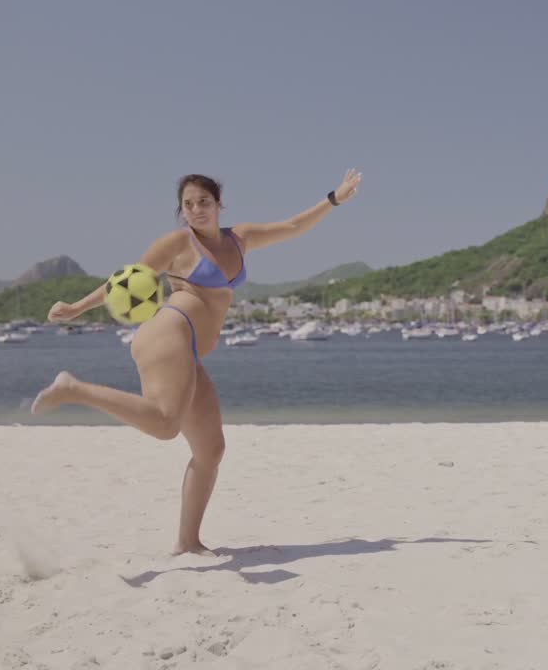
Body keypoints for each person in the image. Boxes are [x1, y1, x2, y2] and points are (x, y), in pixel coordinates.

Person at [31, 169, 362, 555]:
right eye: (188, 205)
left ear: (218, 205)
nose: (196, 210)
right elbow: (123, 282)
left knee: (211, 450)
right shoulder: (176, 243)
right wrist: (76, 308)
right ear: (181, 211)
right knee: (166, 423)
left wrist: (333, 199)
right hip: (170, 331)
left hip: (187, 349)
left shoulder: (241, 238)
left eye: (203, 202)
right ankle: (75, 388)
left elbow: (292, 225)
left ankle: (188, 542)